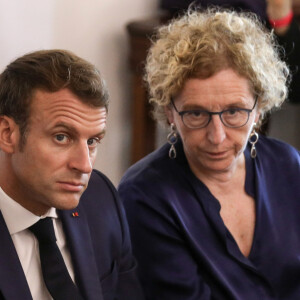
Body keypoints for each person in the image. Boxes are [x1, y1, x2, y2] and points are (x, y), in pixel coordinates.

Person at [118, 8, 300, 300]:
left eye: (234, 112)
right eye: (196, 113)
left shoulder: (287, 165)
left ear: (259, 108)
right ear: (170, 113)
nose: (217, 136)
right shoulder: (144, 196)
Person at [0, 50, 144, 300]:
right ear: (7, 134)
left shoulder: (101, 198)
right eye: (61, 137)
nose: (85, 165)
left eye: (92, 141)